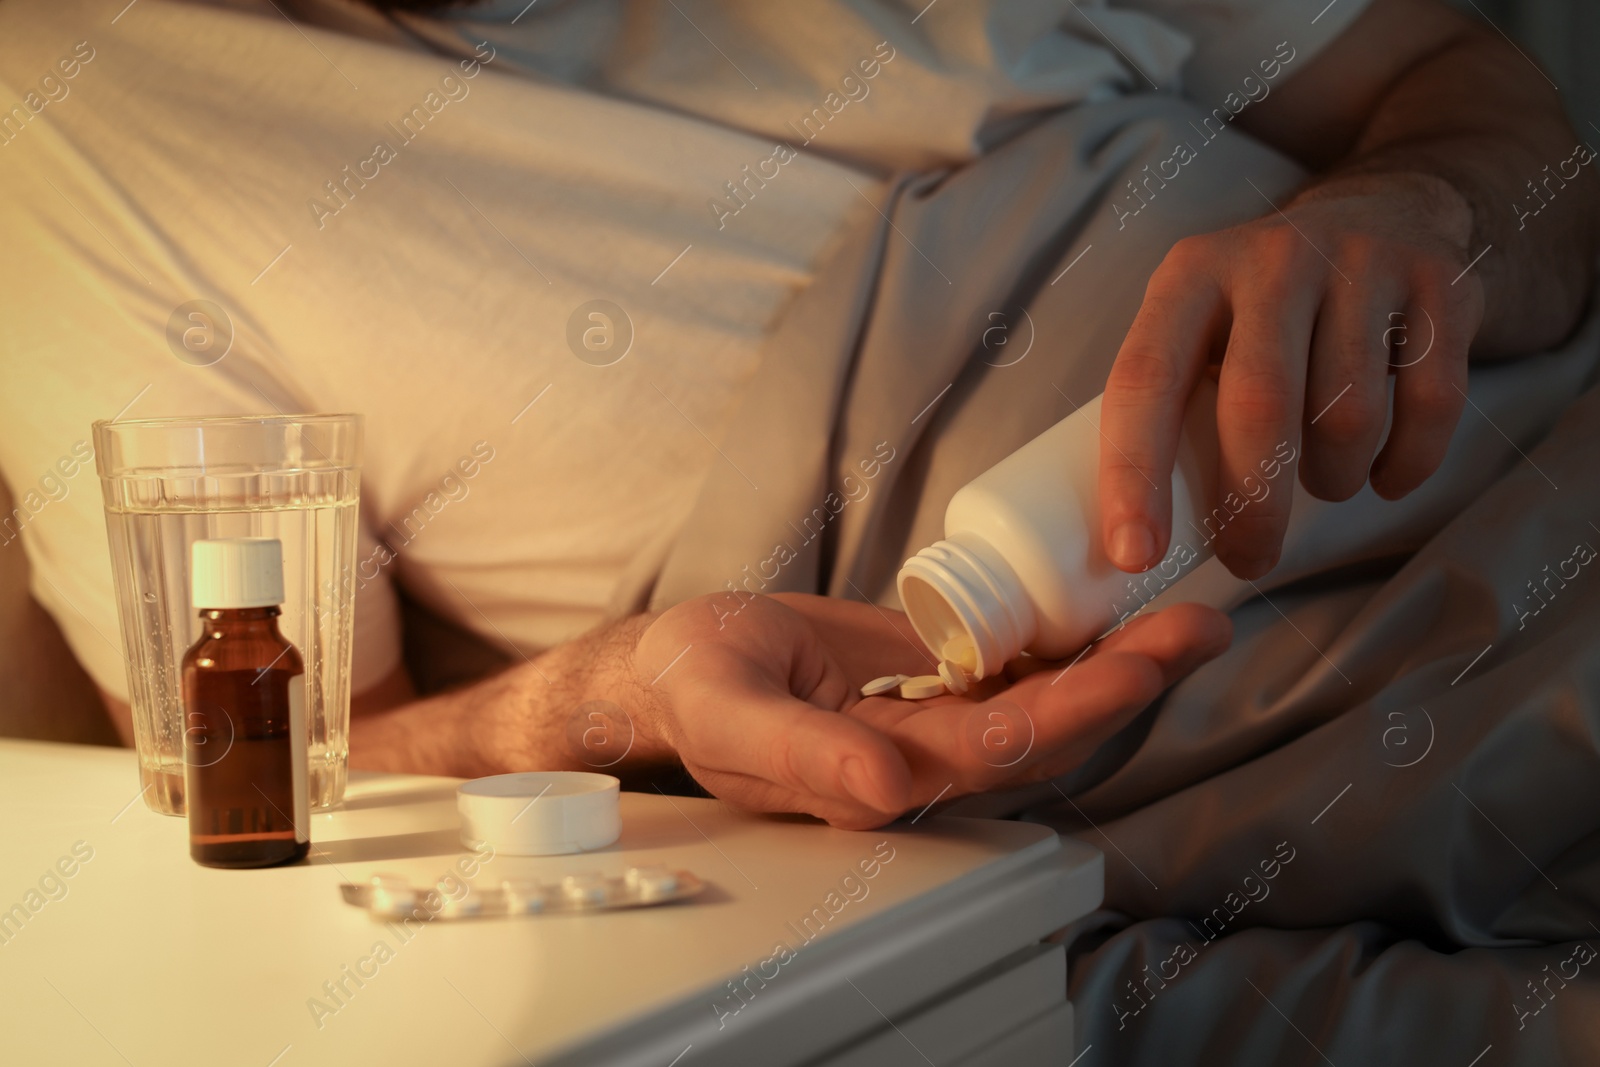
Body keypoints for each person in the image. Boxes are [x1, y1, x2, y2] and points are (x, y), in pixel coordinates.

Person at [1, 0, 1594, 831]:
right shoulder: (77, 106)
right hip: (1293, 737)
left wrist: (1423, 215)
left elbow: (1483, 96)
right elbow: (274, 798)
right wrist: (613, 703)